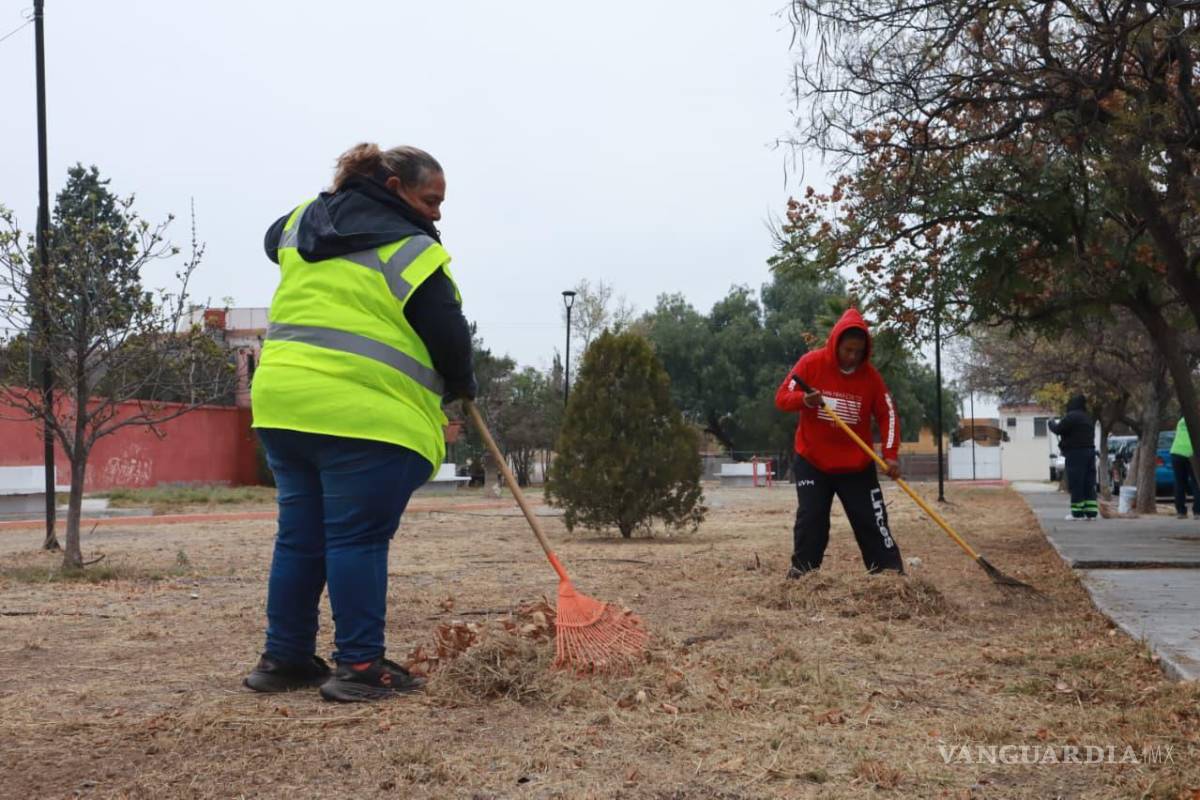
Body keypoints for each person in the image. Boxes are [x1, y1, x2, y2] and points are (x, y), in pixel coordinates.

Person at [243, 143, 476, 702]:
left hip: (282, 406)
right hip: (361, 417)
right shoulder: (411, 249)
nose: (438, 213)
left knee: (301, 541)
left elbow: (271, 237)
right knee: (357, 539)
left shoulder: (304, 222)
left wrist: (339, 196)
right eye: (431, 199)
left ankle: (285, 658)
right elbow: (447, 329)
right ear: (395, 189)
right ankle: (361, 666)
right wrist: (463, 385)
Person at [774, 309, 904, 576]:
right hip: (813, 462)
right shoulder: (810, 364)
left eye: (858, 351)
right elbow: (782, 398)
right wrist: (804, 400)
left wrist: (890, 454)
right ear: (835, 344)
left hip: (857, 467)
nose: (852, 357)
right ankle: (802, 575)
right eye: (847, 350)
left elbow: (887, 414)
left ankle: (889, 576)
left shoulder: (871, 378)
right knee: (812, 521)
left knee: (872, 521)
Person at [1048, 395, 1097, 520]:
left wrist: (1051, 423)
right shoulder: (1087, 417)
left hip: (1076, 453)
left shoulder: (1072, 416)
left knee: (1076, 482)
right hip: (1090, 452)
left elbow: (1058, 429)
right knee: (1088, 482)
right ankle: (1091, 513)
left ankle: (1077, 513)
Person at [1169, 416, 1198, 520]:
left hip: (1176, 452)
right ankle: (1197, 512)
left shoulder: (1182, 420)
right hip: (1192, 453)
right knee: (1196, 482)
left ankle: (1181, 511)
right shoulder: (1196, 419)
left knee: (1179, 483)